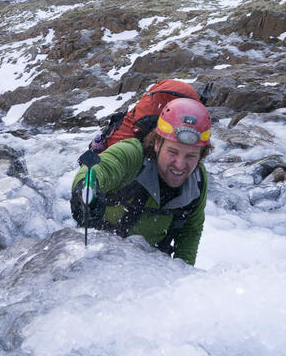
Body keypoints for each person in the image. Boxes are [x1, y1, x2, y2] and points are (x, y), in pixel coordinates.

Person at [71, 97, 211, 266]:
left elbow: (191, 231)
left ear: (201, 154)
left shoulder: (198, 180)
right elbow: (97, 169)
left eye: (191, 155)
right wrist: (86, 188)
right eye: (173, 152)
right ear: (157, 144)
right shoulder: (132, 154)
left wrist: (183, 275)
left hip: (150, 272)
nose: (180, 165)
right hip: (99, 256)